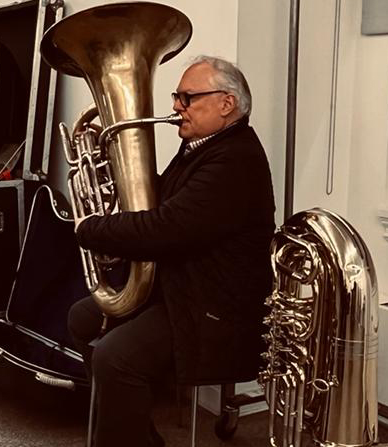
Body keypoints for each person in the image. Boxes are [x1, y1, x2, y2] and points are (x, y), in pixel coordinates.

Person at [67, 55, 276, 446]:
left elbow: (167, 227)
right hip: (182, 286)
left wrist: (90, 229)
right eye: (177, 96)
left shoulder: (235, 159)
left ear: (226, 104)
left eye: (187, 97)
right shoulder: (202, 147)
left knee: (115, 357)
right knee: (82, 318)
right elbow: (162, 202)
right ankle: (135, 435)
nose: (176, 106)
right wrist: (115, 164)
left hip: (215, 309)